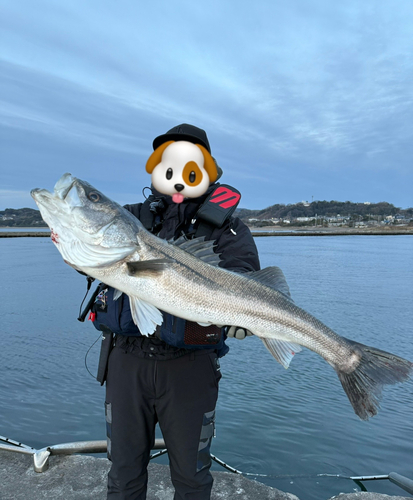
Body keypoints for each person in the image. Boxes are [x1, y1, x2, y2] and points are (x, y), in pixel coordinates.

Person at [90, 124, 260, 500]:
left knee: (192, 477)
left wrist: (241, 319)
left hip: (190, 370)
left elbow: (243, 271)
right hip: (125, 363)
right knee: (122, 474)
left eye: (191, 171)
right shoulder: (129, 217)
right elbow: (94, 251)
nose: (178, 180)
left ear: (207, 173)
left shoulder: (228, 230)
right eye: (169, 169)